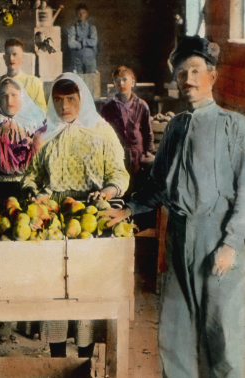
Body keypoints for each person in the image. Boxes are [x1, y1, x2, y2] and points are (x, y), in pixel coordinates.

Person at [101, 36, 245, 378]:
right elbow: (157, 186)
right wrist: (129, 209)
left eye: (195, 70)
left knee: (222, 334)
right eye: (181, 74)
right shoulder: (176, 127)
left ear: (212, 75)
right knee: (175, 335)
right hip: (178, 237)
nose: (188, 79)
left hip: (217, 239)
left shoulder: (235, 126)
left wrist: (232, 243)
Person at [20, 73, 129, 358]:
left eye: (70, 99)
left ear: (82, 99)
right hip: (52, 217)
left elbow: (119, 173)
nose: (64, 106)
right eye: (58, 100)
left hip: (89, 217)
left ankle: (84, 358)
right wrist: (34, 192)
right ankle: (56, 359)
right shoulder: (43, 135)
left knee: (85, 290)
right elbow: (31, 175)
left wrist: (107, 190)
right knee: (55, 289)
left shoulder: (101, 132)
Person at [100, 66, 154, 194]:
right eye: (117, 81)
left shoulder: (141, 105)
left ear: (133, 82)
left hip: (137, 155)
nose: (121, 83)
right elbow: (102, 133)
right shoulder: (108, 107)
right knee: (120, 188)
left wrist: (148, 151)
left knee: (138, 189)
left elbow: (147, 131)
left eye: (125, 80)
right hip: (116, 155)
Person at [0, 38, 47, 111]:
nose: (11, 58)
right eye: (8, 55)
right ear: (4, 58)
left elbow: (42, 112)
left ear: (23, 57)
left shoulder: (35, 82)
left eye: (15, 54)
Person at [67, 3, 98, 74]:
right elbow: (71, 43)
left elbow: (93, 42)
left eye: (84, 13)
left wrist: (81, 41)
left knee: (91, 79)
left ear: (87, 14)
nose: (81, 15)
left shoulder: (92, 28)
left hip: (90, 59)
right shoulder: (73, 28)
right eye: (79, 13)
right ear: (76, 14)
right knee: (78, 80)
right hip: (77, 59)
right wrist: (82, 44)